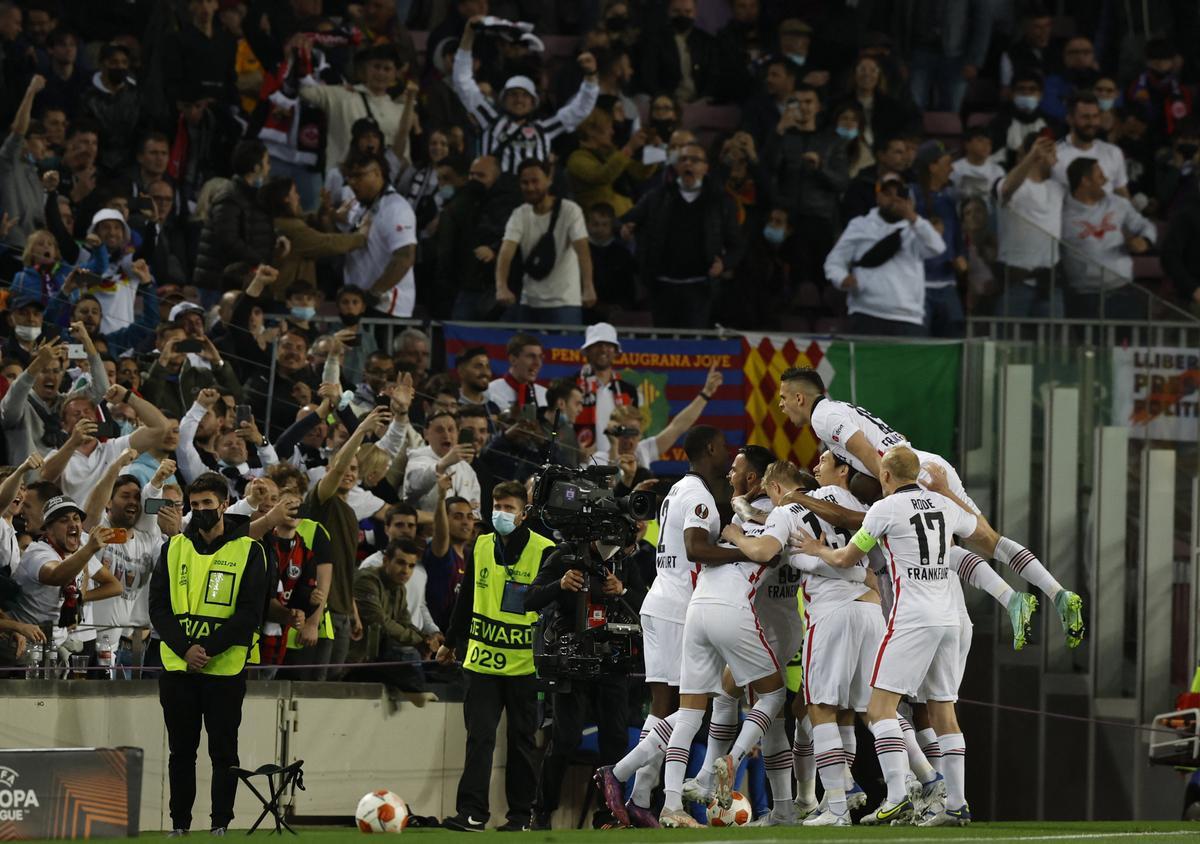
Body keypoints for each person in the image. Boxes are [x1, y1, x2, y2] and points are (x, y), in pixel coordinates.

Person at [777, 367, 1084, 646]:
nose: (781, 405)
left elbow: (868, 452)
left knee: (943, 550)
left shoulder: (823, 418)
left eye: (783, 398)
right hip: (925, 464)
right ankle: (1058, 594)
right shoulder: (840, 408)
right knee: (989, 541)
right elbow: (895, 441)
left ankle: (1013, 601)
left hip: (911, 476)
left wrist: (893, 493)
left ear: (799, 398)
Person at [794, 446, 992, 826]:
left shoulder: (884, 510)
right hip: (949, 618)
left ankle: (898, 795)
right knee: (943, 713)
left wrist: (816, 547)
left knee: (879, 710)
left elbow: (847, 559)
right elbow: (975, 533)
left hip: (911, 619)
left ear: (885, 476)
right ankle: (956, 803)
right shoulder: (943, 505)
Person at [723, 457, 878, 826]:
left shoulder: (786, 510)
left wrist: (735, 535)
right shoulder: (838, 498)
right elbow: (865, 530)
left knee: (817, 708)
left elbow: (763, 551)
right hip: (871, 609)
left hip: (829, 613)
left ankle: (838, 802)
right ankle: (907, 784)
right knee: (872, 709)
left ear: (775, 489)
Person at [148, 472, 270, 836]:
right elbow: (158, 608)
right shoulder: (173, 548)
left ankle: (221, 823)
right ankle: (180, 824)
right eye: (195, 504)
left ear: (225, 504)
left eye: (207, 504)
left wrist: (207, 649)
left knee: (223, 752)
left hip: (225, 668)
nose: (200, 510)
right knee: (181, 753)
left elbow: (250, 613)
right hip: (178, 665)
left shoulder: (250, 549)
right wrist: (186, 649)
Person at [437, 481, 556, 832]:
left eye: (508, 508)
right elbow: (467, 597)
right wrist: (450, 640)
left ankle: (520, 817)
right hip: (482, 662)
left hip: (524, 665)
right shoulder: (480, 544)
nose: (500, 513)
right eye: (496, 505)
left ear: (523, 514)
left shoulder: (545, 549)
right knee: (479, 739)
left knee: (521, 744)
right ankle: (472, 813)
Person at [526, 534, 647, 829]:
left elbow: (645, 606)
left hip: (612, 660)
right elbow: (530, 598)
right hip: (572, 658)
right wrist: (560, 584)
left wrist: (624, 590)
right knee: (565, 739)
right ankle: (542, 812)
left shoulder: (625, 563)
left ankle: (606, 814)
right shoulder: (565, 555)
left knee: (615, 740)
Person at [452, 15, 598, 174]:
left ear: (533, 102)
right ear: (504, 99)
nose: (519, 99)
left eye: (525, 95)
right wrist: (469, 35)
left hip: (532, 196)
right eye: (513, 94)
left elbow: (580, 110)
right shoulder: (489, 119)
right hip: (495, 196)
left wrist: (591, 76)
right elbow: (462, 81)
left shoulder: (544, 129)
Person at [621, 142, 742, 329]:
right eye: (683, 159)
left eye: (695, 160)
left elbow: (737, 245)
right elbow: (622, 221)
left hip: (700, 288)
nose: (688, 164)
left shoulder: (720, 202)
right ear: (676, 167)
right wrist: (624, 228)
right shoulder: (657, 197)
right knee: (664, 349)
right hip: (662, 287)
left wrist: (724, 263)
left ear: (705, 167)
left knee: (693, 350)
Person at [824, 174, 945, 336]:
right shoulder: (860, 225)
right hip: (866, 313)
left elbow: (937, 247)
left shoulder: (916, 229)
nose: (894, 199)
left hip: (908, 317)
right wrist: (841, 279)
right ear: (878, 196)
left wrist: (912, 217)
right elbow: (834, 262)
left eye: (899, 194)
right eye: (887, 193)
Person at [10, 496, 120, 661]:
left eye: (76, 519)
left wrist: (78, 599)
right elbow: (56, 576)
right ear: (48, 529)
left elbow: (115, 586)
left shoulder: (79, 554)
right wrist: (89, 549)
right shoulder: (38, 553)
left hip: (56, 647)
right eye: (63, 520)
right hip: (25, 648)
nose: (73, 524)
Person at [495, 158, 595, 325]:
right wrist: (501, 287)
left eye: (535, 181)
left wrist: (588, 287)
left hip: (565, 302)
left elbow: (582, 250)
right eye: (525, 183)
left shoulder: (570, 210)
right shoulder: (519, 214)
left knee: (563, 350)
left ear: (549, 180)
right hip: (530, 302)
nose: (530, 187)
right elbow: (506, 252)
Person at [1060, 157, 1156, 319]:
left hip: (1124, 292)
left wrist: (1145, 240)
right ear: (1085, 181)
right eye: (1100, 176)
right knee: (1089, 345)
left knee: (1132, 344)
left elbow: (1145, 225)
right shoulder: (1061, 212)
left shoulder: (1117, 203)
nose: (1106, 180)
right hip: (1084, 299)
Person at [339, 149, 418, 318]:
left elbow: (405, 257)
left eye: (359, 176)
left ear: (377, 173)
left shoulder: (396, 208)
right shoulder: (359, 206)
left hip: (386, 307)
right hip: (359, 304)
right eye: (349, 176)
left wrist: (373, 294)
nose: (352, 182)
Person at [193, 139, 275, 300]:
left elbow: (254, 228)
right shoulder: (230, 196)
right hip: (218, 282)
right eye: (267, 162)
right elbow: (227, 239)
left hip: (239, 280)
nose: (269, 168)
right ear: (256, 167)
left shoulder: (252, 195)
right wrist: (259, 261)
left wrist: (276, 238)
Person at [994, 134, 1065, 316]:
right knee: (1007, 342)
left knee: (1053, 344)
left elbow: (1078, 182)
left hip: (1049, 283)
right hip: (1016, 281)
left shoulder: (1057, 188)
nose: (1052, 156)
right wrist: (1031, 156)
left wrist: (1055, 162)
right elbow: (1006, 189)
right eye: (1048, 151)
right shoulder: (1010, 182)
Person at [573, 322, 639, 459]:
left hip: (617, 462)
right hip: (581, 464)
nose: (603, 349)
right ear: (587, 352)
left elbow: (634, 429)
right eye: (597, 345)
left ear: (616, 352)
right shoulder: (572, 386)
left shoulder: (629, 391)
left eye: (608, 345)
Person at [637, 0, 719, 103]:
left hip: (701, 104)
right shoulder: (655, 41)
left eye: (688, 12)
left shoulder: (707, 42)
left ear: (695, 13)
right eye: (677, 11)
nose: (682, 16)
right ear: (668, 12)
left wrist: (703, 99)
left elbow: (713, 76)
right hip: (665, 102)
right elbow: (649, 76)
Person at [1052, 93, 1130, 198]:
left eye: (1095, 116)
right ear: (1070, 119)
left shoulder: (1113, 152)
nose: (1092, 123)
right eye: (1085, 117)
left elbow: (1122, 193)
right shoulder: (1053, 154)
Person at [1, 74, 47, 251]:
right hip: (9, 248)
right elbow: (18, 130)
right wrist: (31, 91)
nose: (45, 144)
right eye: (41, 139)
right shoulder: (7, 162)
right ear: (25, 142)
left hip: (30, 252)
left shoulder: (34, 172)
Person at [486, 332, 546, 412]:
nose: (538, 363)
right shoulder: (490, 392)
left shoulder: (544, 394)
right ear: (513, 360)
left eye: (540, 357)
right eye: (531, 356)